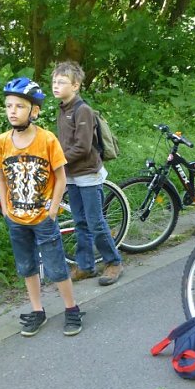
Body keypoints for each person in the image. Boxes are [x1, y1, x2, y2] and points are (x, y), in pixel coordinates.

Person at [0, 77, 85, 337]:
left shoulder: (47, 140)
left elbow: (61, 176)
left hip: (43, 217)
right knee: (26, 266)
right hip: (16, 217)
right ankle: (37, 310)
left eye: (19, 106)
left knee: (56, 266)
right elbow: (0, 175)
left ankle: (71, 309)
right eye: (9, 105)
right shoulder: (2, 142)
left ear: (34, 111)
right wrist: (5, 208)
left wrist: (53, 209)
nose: (12, 111)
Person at [51, 61, 124, 286]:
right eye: (54, 81)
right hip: (71, 175)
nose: (55, 86)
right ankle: (86, 266)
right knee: (80, 221)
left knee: (95, 222)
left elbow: (82, 147)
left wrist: (56, 161)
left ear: (76, 86)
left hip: (88, 174)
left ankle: (113, 262)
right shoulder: (63, 110)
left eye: (61, 82)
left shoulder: (82, 110)